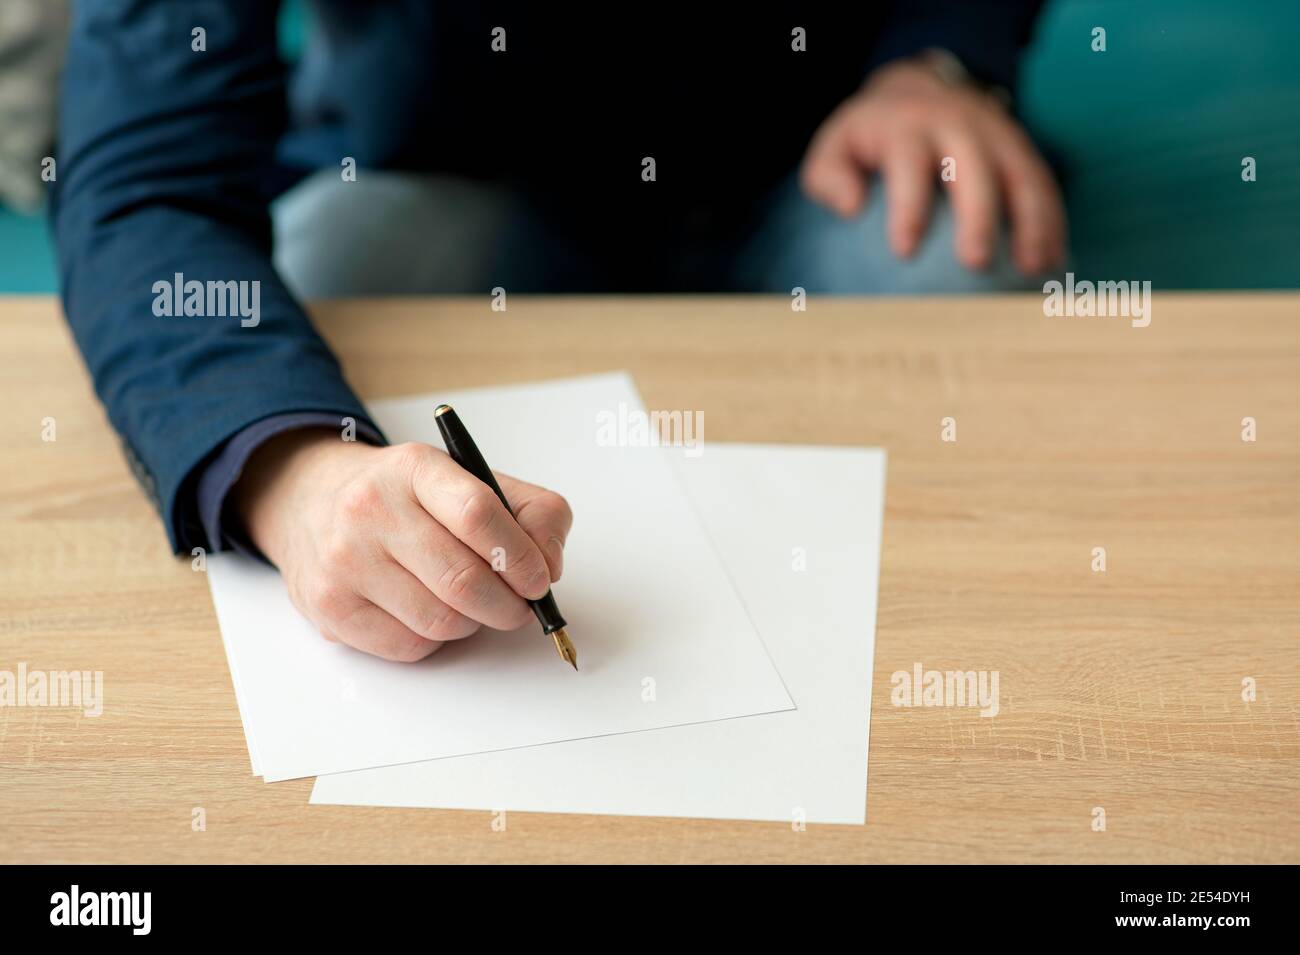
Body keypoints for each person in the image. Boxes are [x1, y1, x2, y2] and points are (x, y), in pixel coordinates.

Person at [51, 1, 1064, 662]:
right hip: (451, 178)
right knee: (323, 273)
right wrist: (289, 472)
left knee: (962, 246)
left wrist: (936, 63)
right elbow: (146, 179)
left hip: (811, 158)